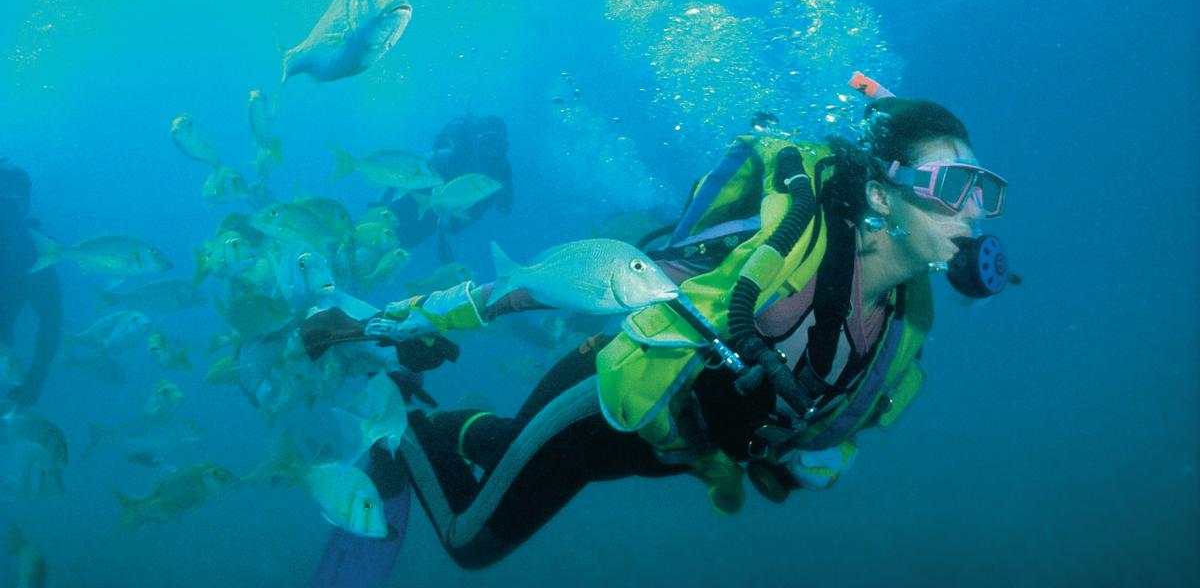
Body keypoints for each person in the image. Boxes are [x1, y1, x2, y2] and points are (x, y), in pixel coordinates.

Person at [306, 80, 1011, 571]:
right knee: (470, 541)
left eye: (985, 191)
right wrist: (375, 326)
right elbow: (525, 294)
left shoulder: (903, 320)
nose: (975, 213)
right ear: (884, 195)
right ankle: (407, 433)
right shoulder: (776, 254)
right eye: (955, 188)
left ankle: (472, 433)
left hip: (661, 450)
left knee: (508, 448)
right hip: (596, 407)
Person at [377, 110, 514, 263]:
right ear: (476, 139)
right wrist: (377, 205)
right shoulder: (453, 155)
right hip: (407, 203)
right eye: (489, 141)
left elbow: (505, 208)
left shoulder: (499, 171)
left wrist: (505, 179)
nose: (493, 149)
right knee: (374, 235)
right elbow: (405, 172)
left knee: (392, 253)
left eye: (500, 144)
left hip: (432, 221)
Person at [0, 160, 63, 411]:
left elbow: (51, 319)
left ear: (24, 207)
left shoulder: (33, 253)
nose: (3, 212)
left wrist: (36, 379)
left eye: (11, 204)